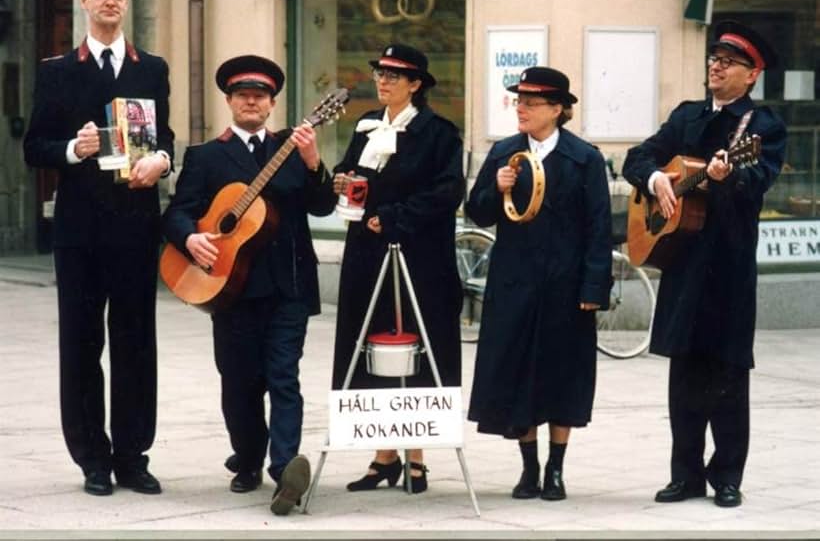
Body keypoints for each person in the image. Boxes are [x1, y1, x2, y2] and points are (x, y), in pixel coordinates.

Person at [23, 0, 174, 497]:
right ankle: (92, 457)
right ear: (84, 2)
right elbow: (34, 147)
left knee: (136, 341)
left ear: (127, 3)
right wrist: (72, 147)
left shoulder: (150, 68)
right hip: (81, 230)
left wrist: (162, 161)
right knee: (82, 344)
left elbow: (165, 138)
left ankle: (133, 455)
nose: (111, 1)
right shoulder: (57, 72)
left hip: (136, 225)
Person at [622, 21, 787, 508]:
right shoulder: (687, 115)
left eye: (729, 61)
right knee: (684, 375)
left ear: (752, 74)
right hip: (683, 262)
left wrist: (725, 176)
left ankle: (728, 476)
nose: (716, 65)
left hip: (729, 266)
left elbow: (759, 179)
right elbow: (638, 156)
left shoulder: (762, 127)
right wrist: (657, 181)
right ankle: (685, 474)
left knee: (728, 374)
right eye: (714, 58)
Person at [163, 55, 335, 515]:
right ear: (230, 101)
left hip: (289, 285)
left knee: (284, 376)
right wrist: (190, 236)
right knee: (239, 382)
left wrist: (315, 160)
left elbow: (322, 206)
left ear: (273, 103)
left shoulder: (294, 149)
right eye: (243, 94)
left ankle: (285, 471)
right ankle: (248, 457)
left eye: (260, 95)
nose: (252, 101)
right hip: (229, 286)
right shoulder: (205, 156)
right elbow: (177, 212)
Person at [466, 67, 612, 501]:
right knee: (516, 374)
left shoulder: (584, 158)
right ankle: (528, 469)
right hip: (515, 284)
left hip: (565, 287)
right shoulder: (504, 153)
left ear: (557, 110)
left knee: (562, 375)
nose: (521, 108)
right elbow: (478, 212)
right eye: (519, 101)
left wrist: (593, 289)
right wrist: (496, 186)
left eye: (531, 102)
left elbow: (598, 228)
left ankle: (556, 469)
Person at [330, 44, 464, 494]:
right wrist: (341, 180)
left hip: (418, 257)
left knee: (416, 345)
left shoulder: (439, 133)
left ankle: (418, 457)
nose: (383, 80)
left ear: (416, 85)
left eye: (394, 75)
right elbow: (351, 173)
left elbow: (447, 192)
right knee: (373, 345)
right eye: (380, 73)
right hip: (367, 256)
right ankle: (383, 456)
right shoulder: (366, 126)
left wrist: (395, 216)